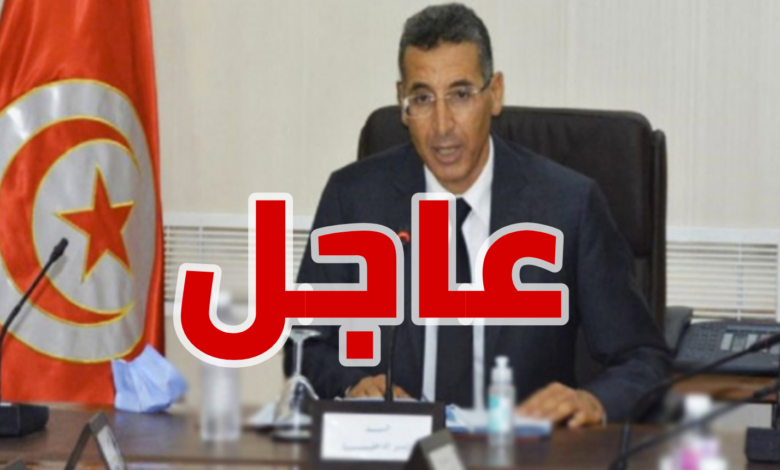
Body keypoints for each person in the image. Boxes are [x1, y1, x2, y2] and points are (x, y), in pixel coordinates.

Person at [285, 3, 670, 427]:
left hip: (521, 448)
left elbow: (643, 359)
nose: (442, 125)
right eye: (423, 99)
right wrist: (352, 385)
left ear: (495, 93)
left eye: (461, 94)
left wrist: (594, 402)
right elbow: (305, 347)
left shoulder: (567, 206)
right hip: (397, 445)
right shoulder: (354, 200)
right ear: (402, 103)